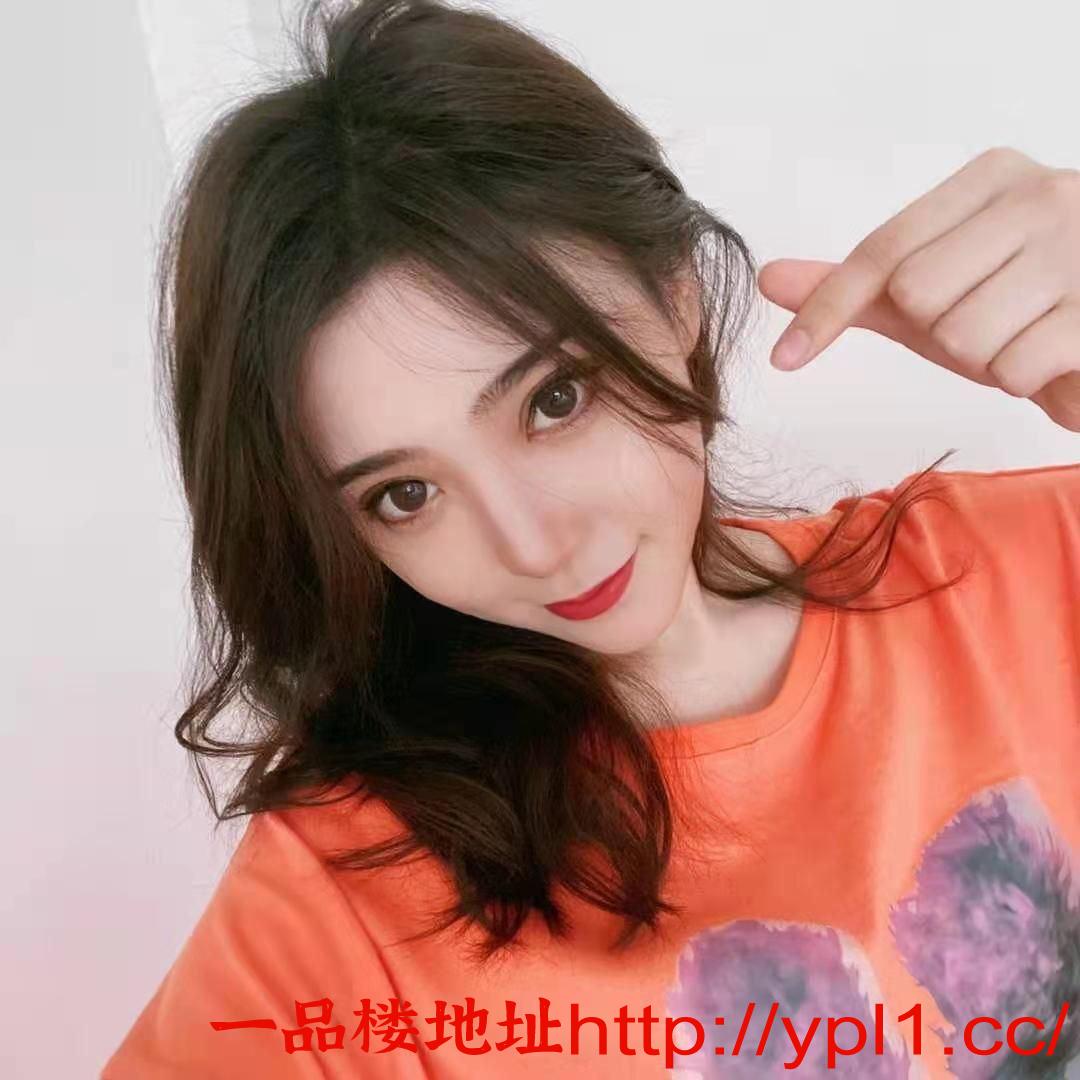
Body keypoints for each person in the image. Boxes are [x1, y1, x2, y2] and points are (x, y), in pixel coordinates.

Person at [103, 0, 1080, 1075]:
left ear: (676, 295)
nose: (534, 546)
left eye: (554, 399)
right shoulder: (344, 899)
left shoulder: (1037, 571)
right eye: (404, 494)